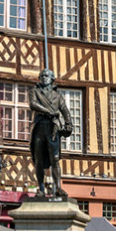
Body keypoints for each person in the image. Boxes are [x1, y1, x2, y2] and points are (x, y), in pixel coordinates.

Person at [29, 68, 73, 197]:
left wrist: (68, 124)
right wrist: (48, 112)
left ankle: (58, 187)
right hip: (39, 128)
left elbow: (64, 110)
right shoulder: (35, 92)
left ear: (52, 78)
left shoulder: (57, 96)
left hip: (52, 129)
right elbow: (32, 104)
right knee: (39, 160)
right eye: (42, 76)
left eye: (47, 75)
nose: (44, 77)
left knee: (55, 159)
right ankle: (41, 189)